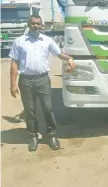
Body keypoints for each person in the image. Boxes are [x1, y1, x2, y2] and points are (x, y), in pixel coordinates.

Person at [9, 14, 75, 152]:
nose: (36, 26)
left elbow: (59, 54)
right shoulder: (19, 42)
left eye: (38, 24)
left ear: (41, 25)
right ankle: (33, 136)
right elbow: (14, 63)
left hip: (43, 79)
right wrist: (13, 84)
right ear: (29, 24)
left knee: (47, 108)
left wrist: (69, 58)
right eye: (33, 23)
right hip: (26, 80)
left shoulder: (47, 40)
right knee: (30, 111)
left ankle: (51, 136)